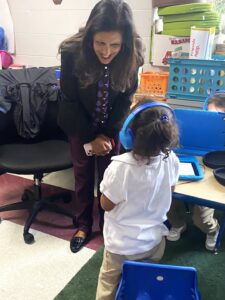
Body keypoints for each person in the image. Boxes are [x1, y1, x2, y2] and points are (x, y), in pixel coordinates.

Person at [58, 0, 145, 253]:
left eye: (114, 45)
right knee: (83, 177)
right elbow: (70, 100)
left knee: (110, 178)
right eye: (100, 43)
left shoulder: (133, 54)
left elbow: (125, 99)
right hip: (79, 125)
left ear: (124, 43)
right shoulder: (72, 51)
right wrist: (90, 138)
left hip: (110, 129)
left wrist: (106, 135)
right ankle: (83, 224)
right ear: (90, 38)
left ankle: (108, 224)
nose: (107, 52)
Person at [95, 100, 180, 300]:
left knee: (108, 281)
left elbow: (106, 205)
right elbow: (171, 189)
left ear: (129, 133)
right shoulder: (172, 160)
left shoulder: (120, 167)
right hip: (153, 242)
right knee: (145, 279)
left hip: (121, 245)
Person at [167, 91, 225, 250]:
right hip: (192, 162)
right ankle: (178, 224)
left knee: (201, 218)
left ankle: (212, 230)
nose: (216, 122)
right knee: (169, 197)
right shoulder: (195, 125)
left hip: (216, 170)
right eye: (212, 116)